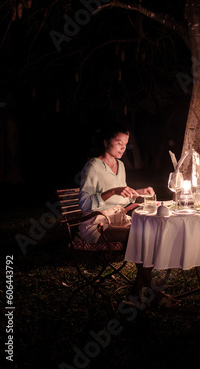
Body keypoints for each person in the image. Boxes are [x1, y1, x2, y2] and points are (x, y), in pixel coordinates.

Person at [79, 123, 180, 309]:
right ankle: (154, 294)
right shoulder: (93, 166)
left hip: (117, 219)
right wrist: (113, 191)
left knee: (150, 232)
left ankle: (134, 295)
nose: (122, 148)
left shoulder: (121, 165)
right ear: (106, 142)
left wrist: (138, 193)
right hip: (95, 223)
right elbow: (84, 204)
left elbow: (121, 200)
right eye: (118, 143)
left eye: (125, 144)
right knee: (140, 235)